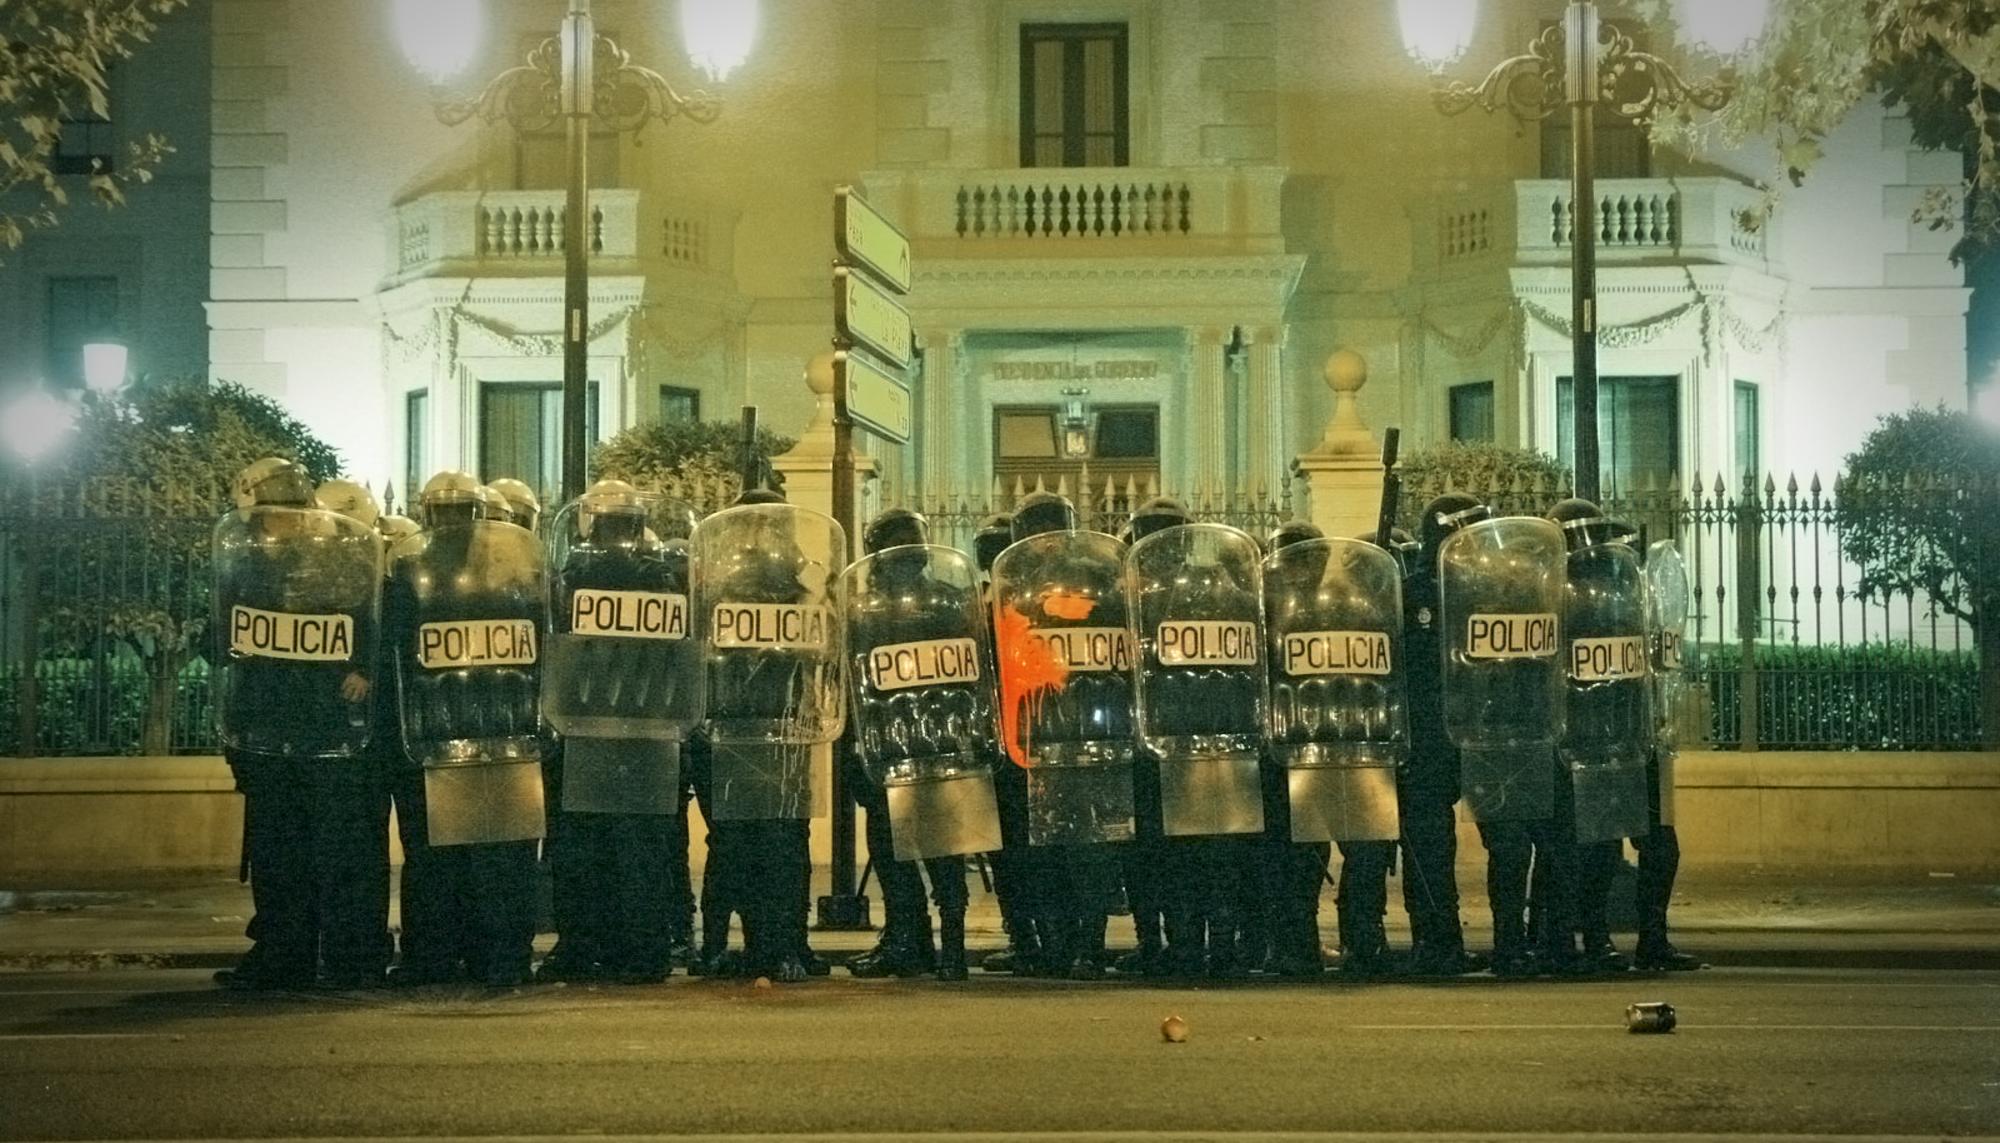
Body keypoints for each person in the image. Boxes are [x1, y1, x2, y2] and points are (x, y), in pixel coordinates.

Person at [212, 459, 387, 990]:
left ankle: (337, 959)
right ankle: (300, 958)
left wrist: (362, 670)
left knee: (325, 854)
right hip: (277, 731)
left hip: (324, 731)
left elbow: (371, 630)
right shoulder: (251, 565)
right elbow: (224, 640)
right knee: (283, 854)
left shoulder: (340, 557)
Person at [845, 508, 982, 981]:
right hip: (940, 741)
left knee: (893, 847)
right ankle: (950, 949)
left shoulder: (867, 609)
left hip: (894, 743)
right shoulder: (951, 601)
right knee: (944, 849)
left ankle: (912, 939)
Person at [1402, 494, 1486, 976]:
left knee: (1511, 841)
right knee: (1432, 846)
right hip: (1429, 742)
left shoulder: (1490, 592)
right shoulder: (1414, 594)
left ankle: (1520, 940)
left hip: (1482, 736)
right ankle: (1435, 942)